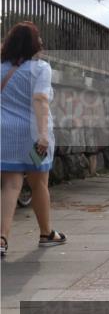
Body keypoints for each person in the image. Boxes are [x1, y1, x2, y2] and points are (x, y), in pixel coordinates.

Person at [1, 21, 67, 256]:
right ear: (34, 43)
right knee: (39, 183)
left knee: (10, 184)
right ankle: (46, 233)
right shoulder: (40, 68)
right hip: (33, 134)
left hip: (6, 134)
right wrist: (42, 135)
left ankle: (2, 238)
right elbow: (40, 99)